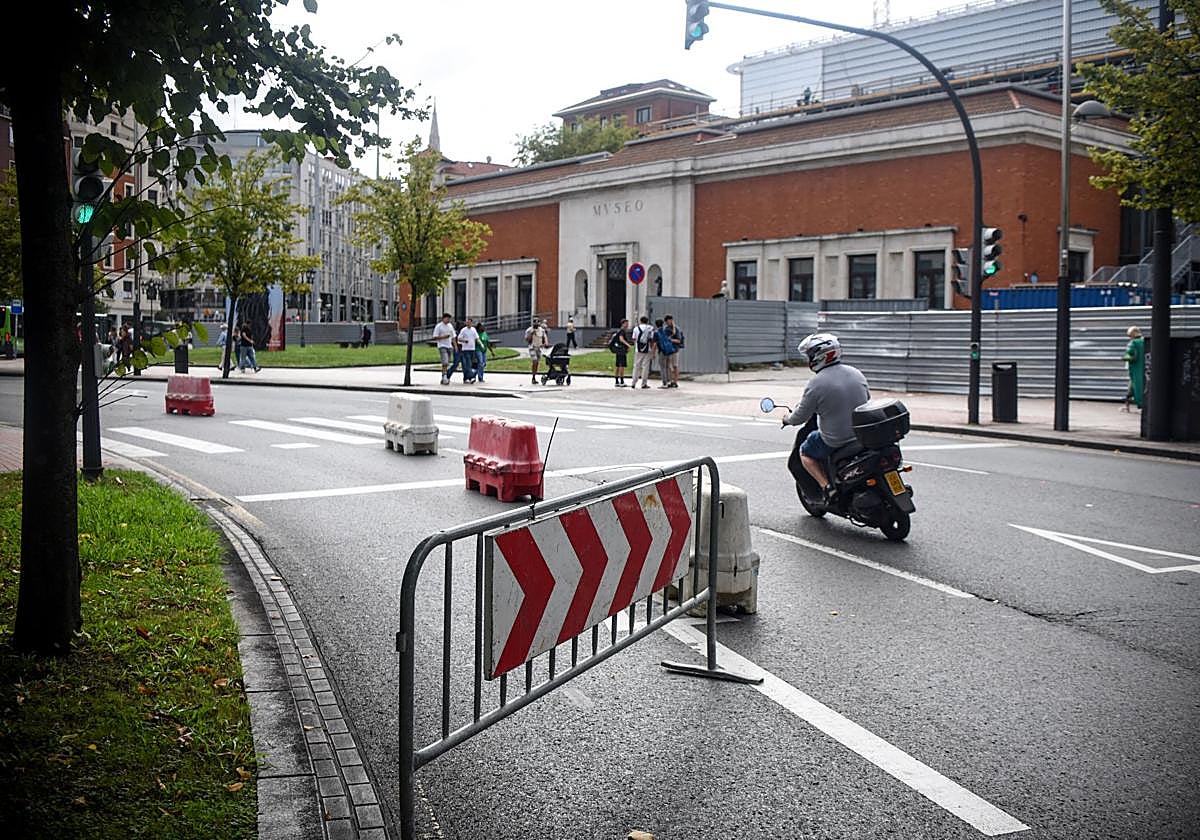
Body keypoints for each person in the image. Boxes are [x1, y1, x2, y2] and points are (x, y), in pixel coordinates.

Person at [782, 333, 870, 504]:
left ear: (818, 356)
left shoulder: (816, 384)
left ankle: (827, 487)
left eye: (809, 355)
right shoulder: (856, 373)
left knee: (805, 452)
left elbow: (800, 416)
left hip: (836, 439)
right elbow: (866, 398)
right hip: (862, 435)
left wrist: (787, 419)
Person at [656, 314, 684, 388]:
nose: (669, 322)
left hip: (675, 350)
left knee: (675, 366)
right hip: (668, 351)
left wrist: (670, 340)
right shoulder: (665, 329)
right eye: (668, 321)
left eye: (670, 320)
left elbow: (679, 340)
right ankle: (670, 381)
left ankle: (675, 381)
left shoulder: (676, 329)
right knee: (668, 366)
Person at [1122, 326, 1145, 411]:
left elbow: (1129, 355)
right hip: (1144, 370)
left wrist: (1124, 357)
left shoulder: (1133, 343)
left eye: (1129, 335)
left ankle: (1139, 406)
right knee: (1135, 388)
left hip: (1135, 370)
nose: (1129, 337)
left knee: (1134, 386)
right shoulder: (1145, 341)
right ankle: (1127, 406)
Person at [630, 316, 655, 390]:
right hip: (647, 350)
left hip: (638, 350)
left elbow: (634, 339)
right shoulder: (650, 328)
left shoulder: (636, 328)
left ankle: (633, 383)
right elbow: (651, 340)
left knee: (636, 366)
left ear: (640, 321)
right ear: (647, 321)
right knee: (645, 367)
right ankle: (644, 383)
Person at [432, 313, 456, 386]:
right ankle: (445, 377)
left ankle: (444, 376)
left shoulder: (450, 326)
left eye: (449, 319)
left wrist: (455, 346)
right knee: (445, 362)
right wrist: (443, 337)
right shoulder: (439, 326)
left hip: (449, 346)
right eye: (447, 318)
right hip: (442, 346)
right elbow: (435, 337)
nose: (448, 320)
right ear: (443, 318)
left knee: (447, 362)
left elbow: (453, 336)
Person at [524, 318, 549, 385]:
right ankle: (533, 377)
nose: (536, 324)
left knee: (537, 362)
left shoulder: (542, 330)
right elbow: (527, 340)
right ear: (533, 323)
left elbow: (545, 337)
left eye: (538, 322)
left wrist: (546, 343)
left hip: (539, 348)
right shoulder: (529, 330)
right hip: (532, 347)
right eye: (535, 322)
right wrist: (531, 334)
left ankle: (534, 376)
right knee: (534, 361)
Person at [610, 318, 632, 387]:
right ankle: (622, 381)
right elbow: (621, 339)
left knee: (618, 365)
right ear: (623, 324)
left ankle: (617, 381)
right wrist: (628, 345)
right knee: (622, 366)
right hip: (621, 350)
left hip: (618, 350)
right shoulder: (622, 331)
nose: (627, 325)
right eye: (626, 323)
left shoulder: (619, 331)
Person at [457, 317, 479, 384]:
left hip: (472, 349)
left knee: (470, 364)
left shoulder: (473, 330)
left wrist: (480, 344)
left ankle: (467, 378)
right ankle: (471, 377)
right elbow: (459, 339)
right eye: (467, 322)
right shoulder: (463, 330)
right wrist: (464, 340)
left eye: (469, 322)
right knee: (468, 363)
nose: (468, 324)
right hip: (465, 349)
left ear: (471, 323)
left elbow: (477, 338)